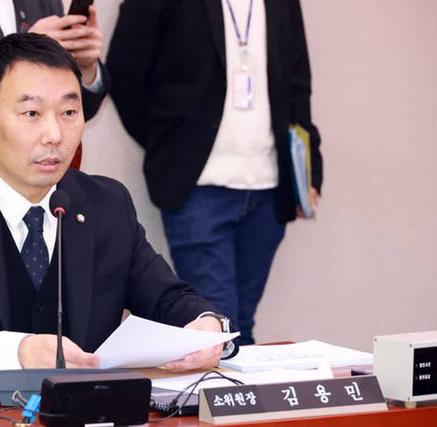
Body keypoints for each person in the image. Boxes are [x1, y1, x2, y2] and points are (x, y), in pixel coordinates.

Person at [0, 33, 232, 373]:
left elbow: (168, 298)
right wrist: (18, 350)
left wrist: (207, 325)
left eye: (69, 112)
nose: (54, 135)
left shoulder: (107, 204)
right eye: (32, 113)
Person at [107, 0, 323, 345]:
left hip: (269, 186)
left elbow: (298, 84)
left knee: (241, 325)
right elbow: (125, 72)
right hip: (199, 188)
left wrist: (309, 173)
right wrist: (169, 143)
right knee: (218, 331)